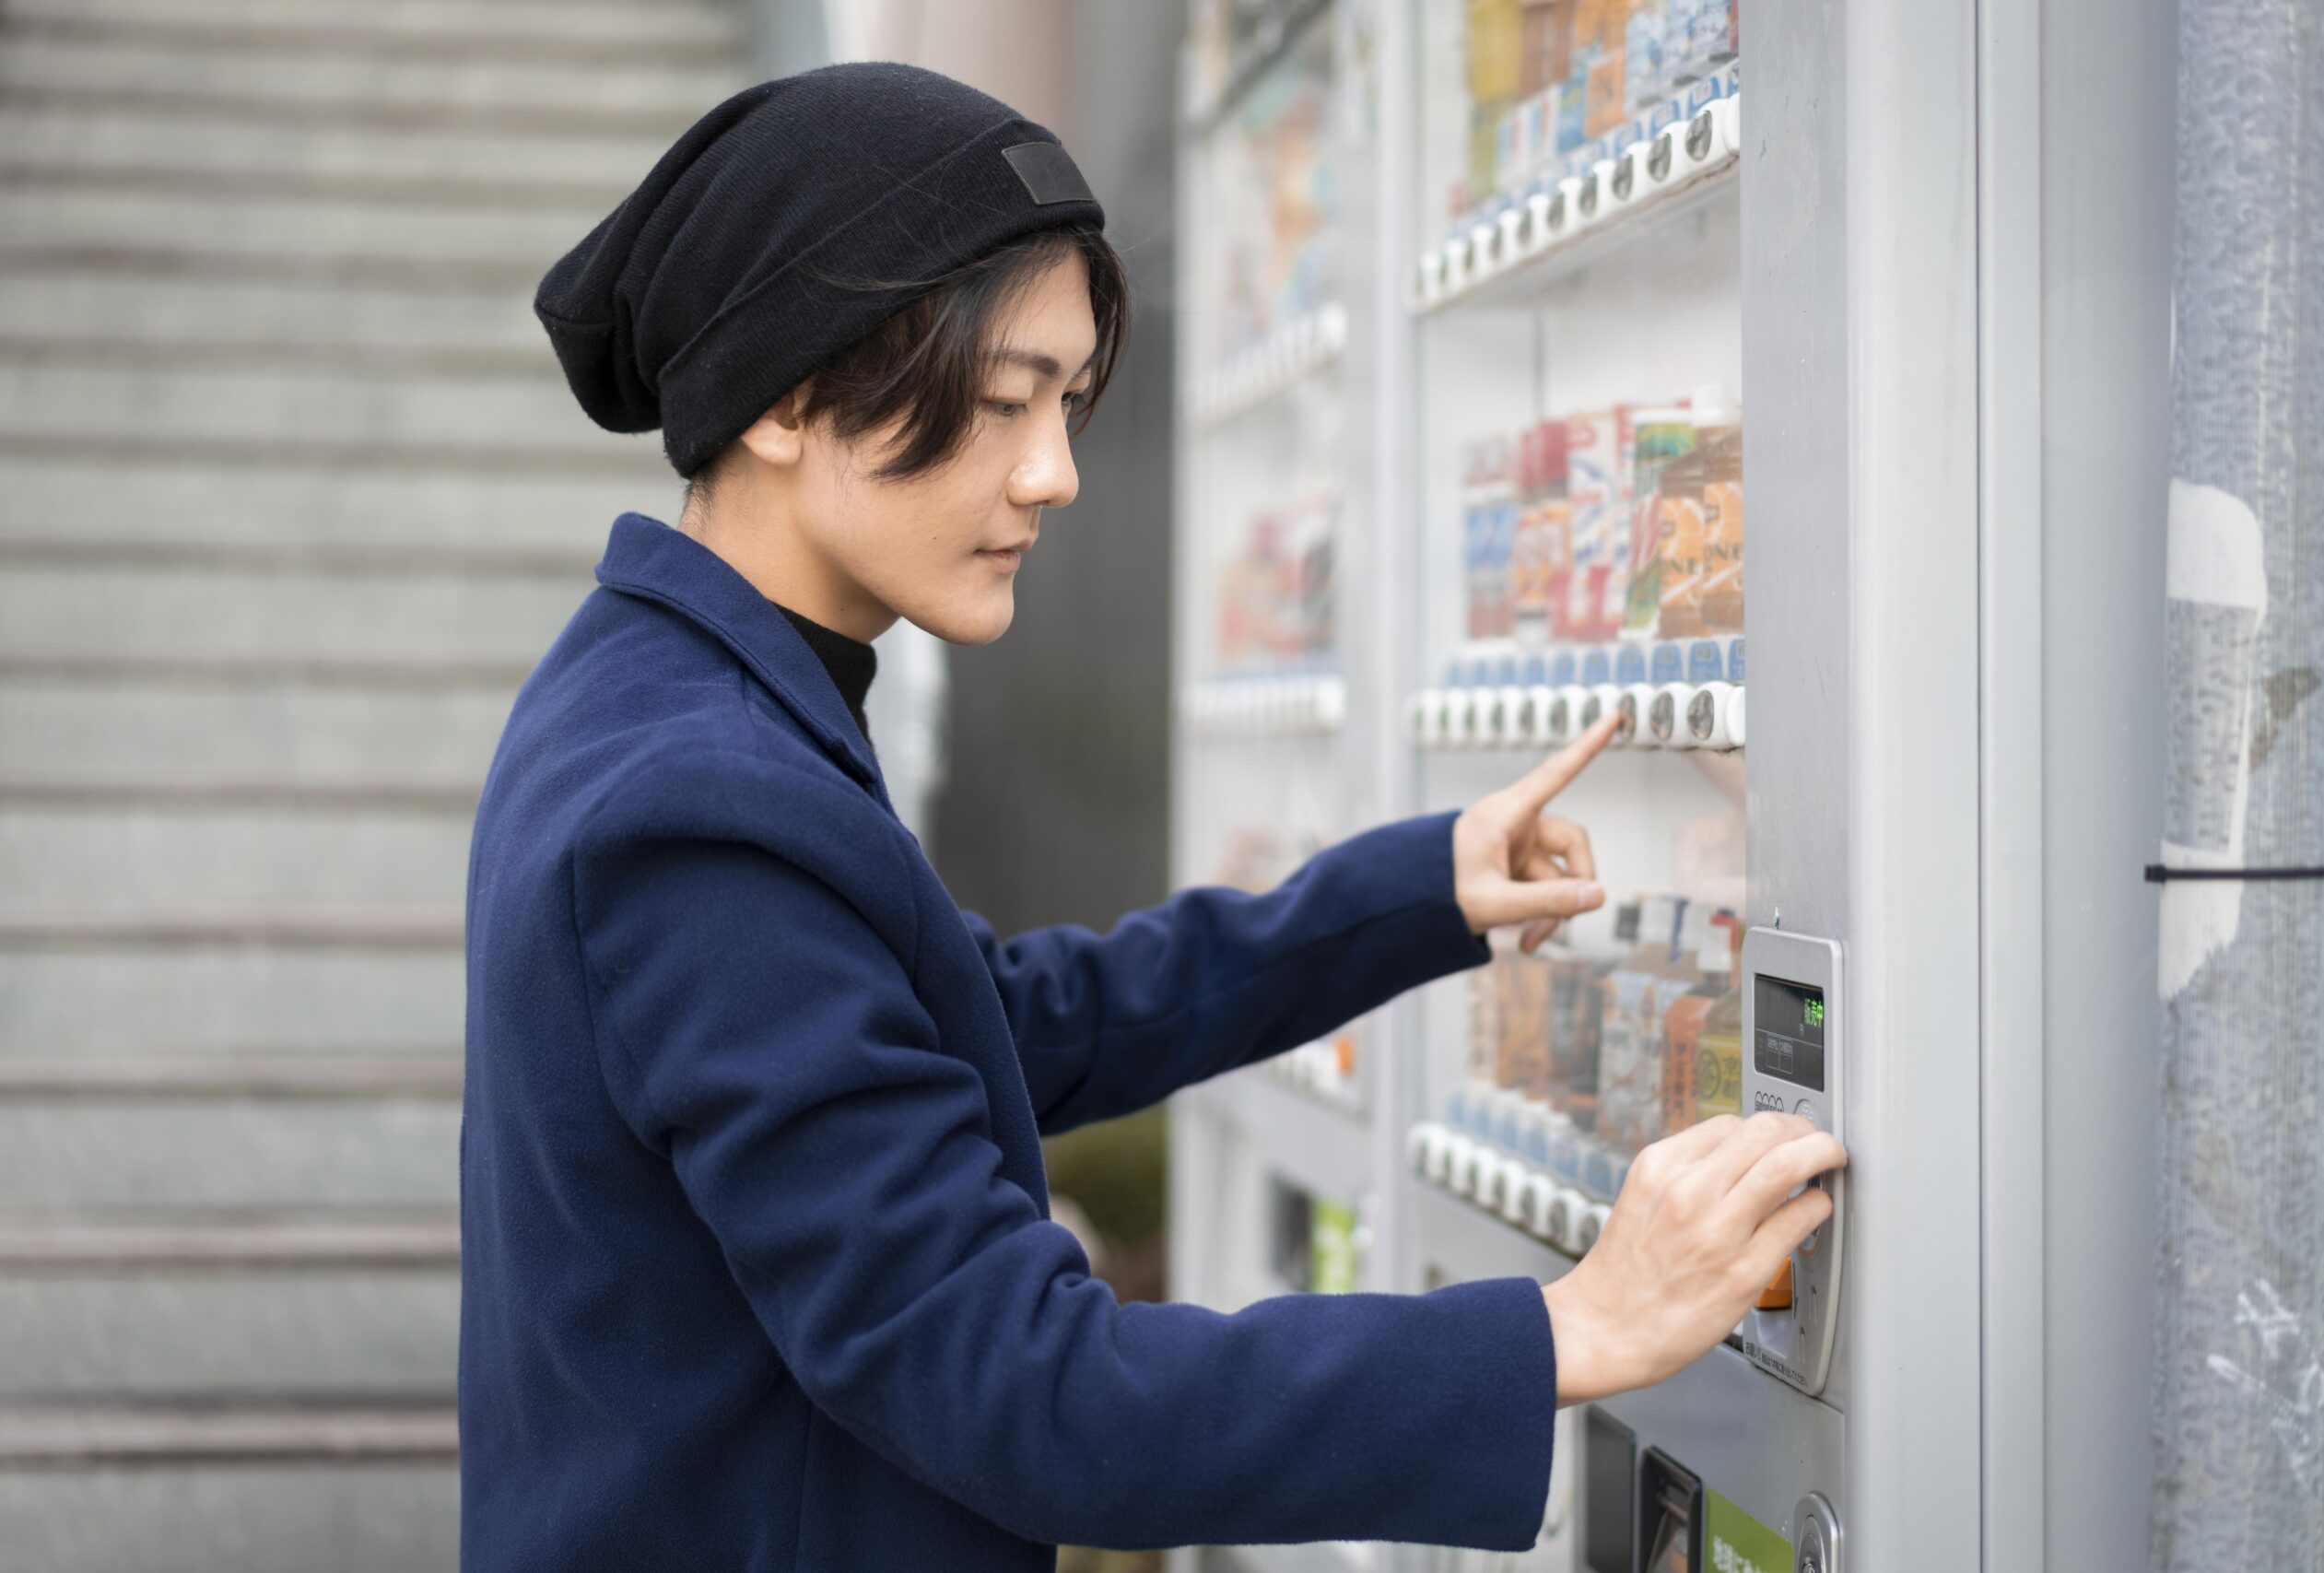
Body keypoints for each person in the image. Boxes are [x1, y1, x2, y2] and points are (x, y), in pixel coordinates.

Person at [460, 61, 1844, 1572]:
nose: (1054, 474)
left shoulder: (657, 693)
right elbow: (1033, 1399)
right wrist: (1567, 1330)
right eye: (1003, 404)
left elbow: (984, 1023)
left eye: (1067, 403)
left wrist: (1407, 897)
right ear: (789, 397)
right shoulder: (701, 810)